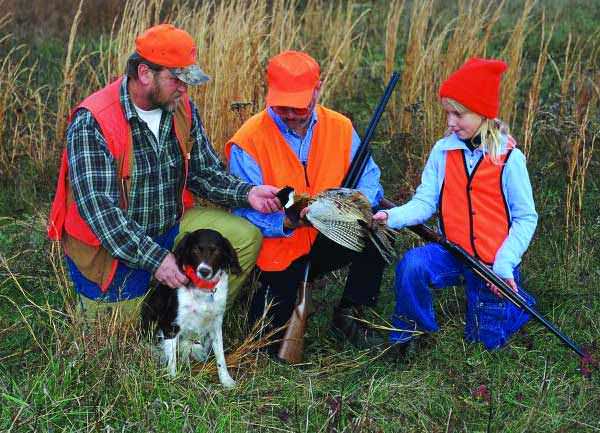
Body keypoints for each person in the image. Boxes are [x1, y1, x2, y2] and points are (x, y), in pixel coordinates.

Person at [47, 24, 281, 318]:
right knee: (125, 338)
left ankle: (197, 321)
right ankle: (158, 306)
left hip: (172, 229)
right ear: (145, 74)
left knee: (245, 238)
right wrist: (157, 260)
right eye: (176, 79)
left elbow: (204, 171)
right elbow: (103, 215)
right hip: (112, 250)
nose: (184, 89)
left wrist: (248, 193)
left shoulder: (180, 106)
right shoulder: (93, 122)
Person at [225, 50, 387, 352]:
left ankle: (350, 313)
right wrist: (287, 221)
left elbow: (370, 176)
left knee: (376, 236)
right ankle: (292, 297)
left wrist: (356, 204)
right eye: (282, 106)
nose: (289, 113)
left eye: (298, 106)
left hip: (331, 237)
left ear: (318, 89)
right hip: (278, 249)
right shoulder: (249, 140)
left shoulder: (340, 126)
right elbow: (243, 214)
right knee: (267, 342)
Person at [373, 58, 538, 351]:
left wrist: (504, 263)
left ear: (483, 113)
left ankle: (519, 304)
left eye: (458, 114)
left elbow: (526, 218)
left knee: (484, 342)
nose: (450, 122)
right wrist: (392, 216)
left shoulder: (510, 159)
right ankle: (411, 333)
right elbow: (425, 202)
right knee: (412, 266)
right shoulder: (443, 151)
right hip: (452, 252)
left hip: (492, 263)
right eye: (447, 113)